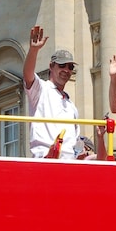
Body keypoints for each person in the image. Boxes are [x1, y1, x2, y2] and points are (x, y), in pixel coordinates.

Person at [22, 26, 80, 159]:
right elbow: (27, 74)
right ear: (51, 66)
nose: (66, 70)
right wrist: (34, 50)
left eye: (70, 67)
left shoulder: (71, 106)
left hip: (69, 162)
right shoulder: (41, 89)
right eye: (61, 65)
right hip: (45, 158)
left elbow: (75, 142)